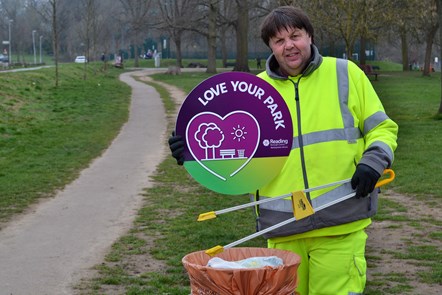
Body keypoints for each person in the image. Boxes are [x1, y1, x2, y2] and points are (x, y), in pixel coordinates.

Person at [169, 6, 398, 295]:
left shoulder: (345, 74)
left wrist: (373, 162)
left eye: (295, 35)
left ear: (310, 36)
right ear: (270, 47)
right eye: (279, 41)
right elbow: (233, 147)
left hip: (341, 222)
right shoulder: (254, 91)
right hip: (283, 229)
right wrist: (192, 152)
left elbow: (382, 128)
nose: (289, 45)